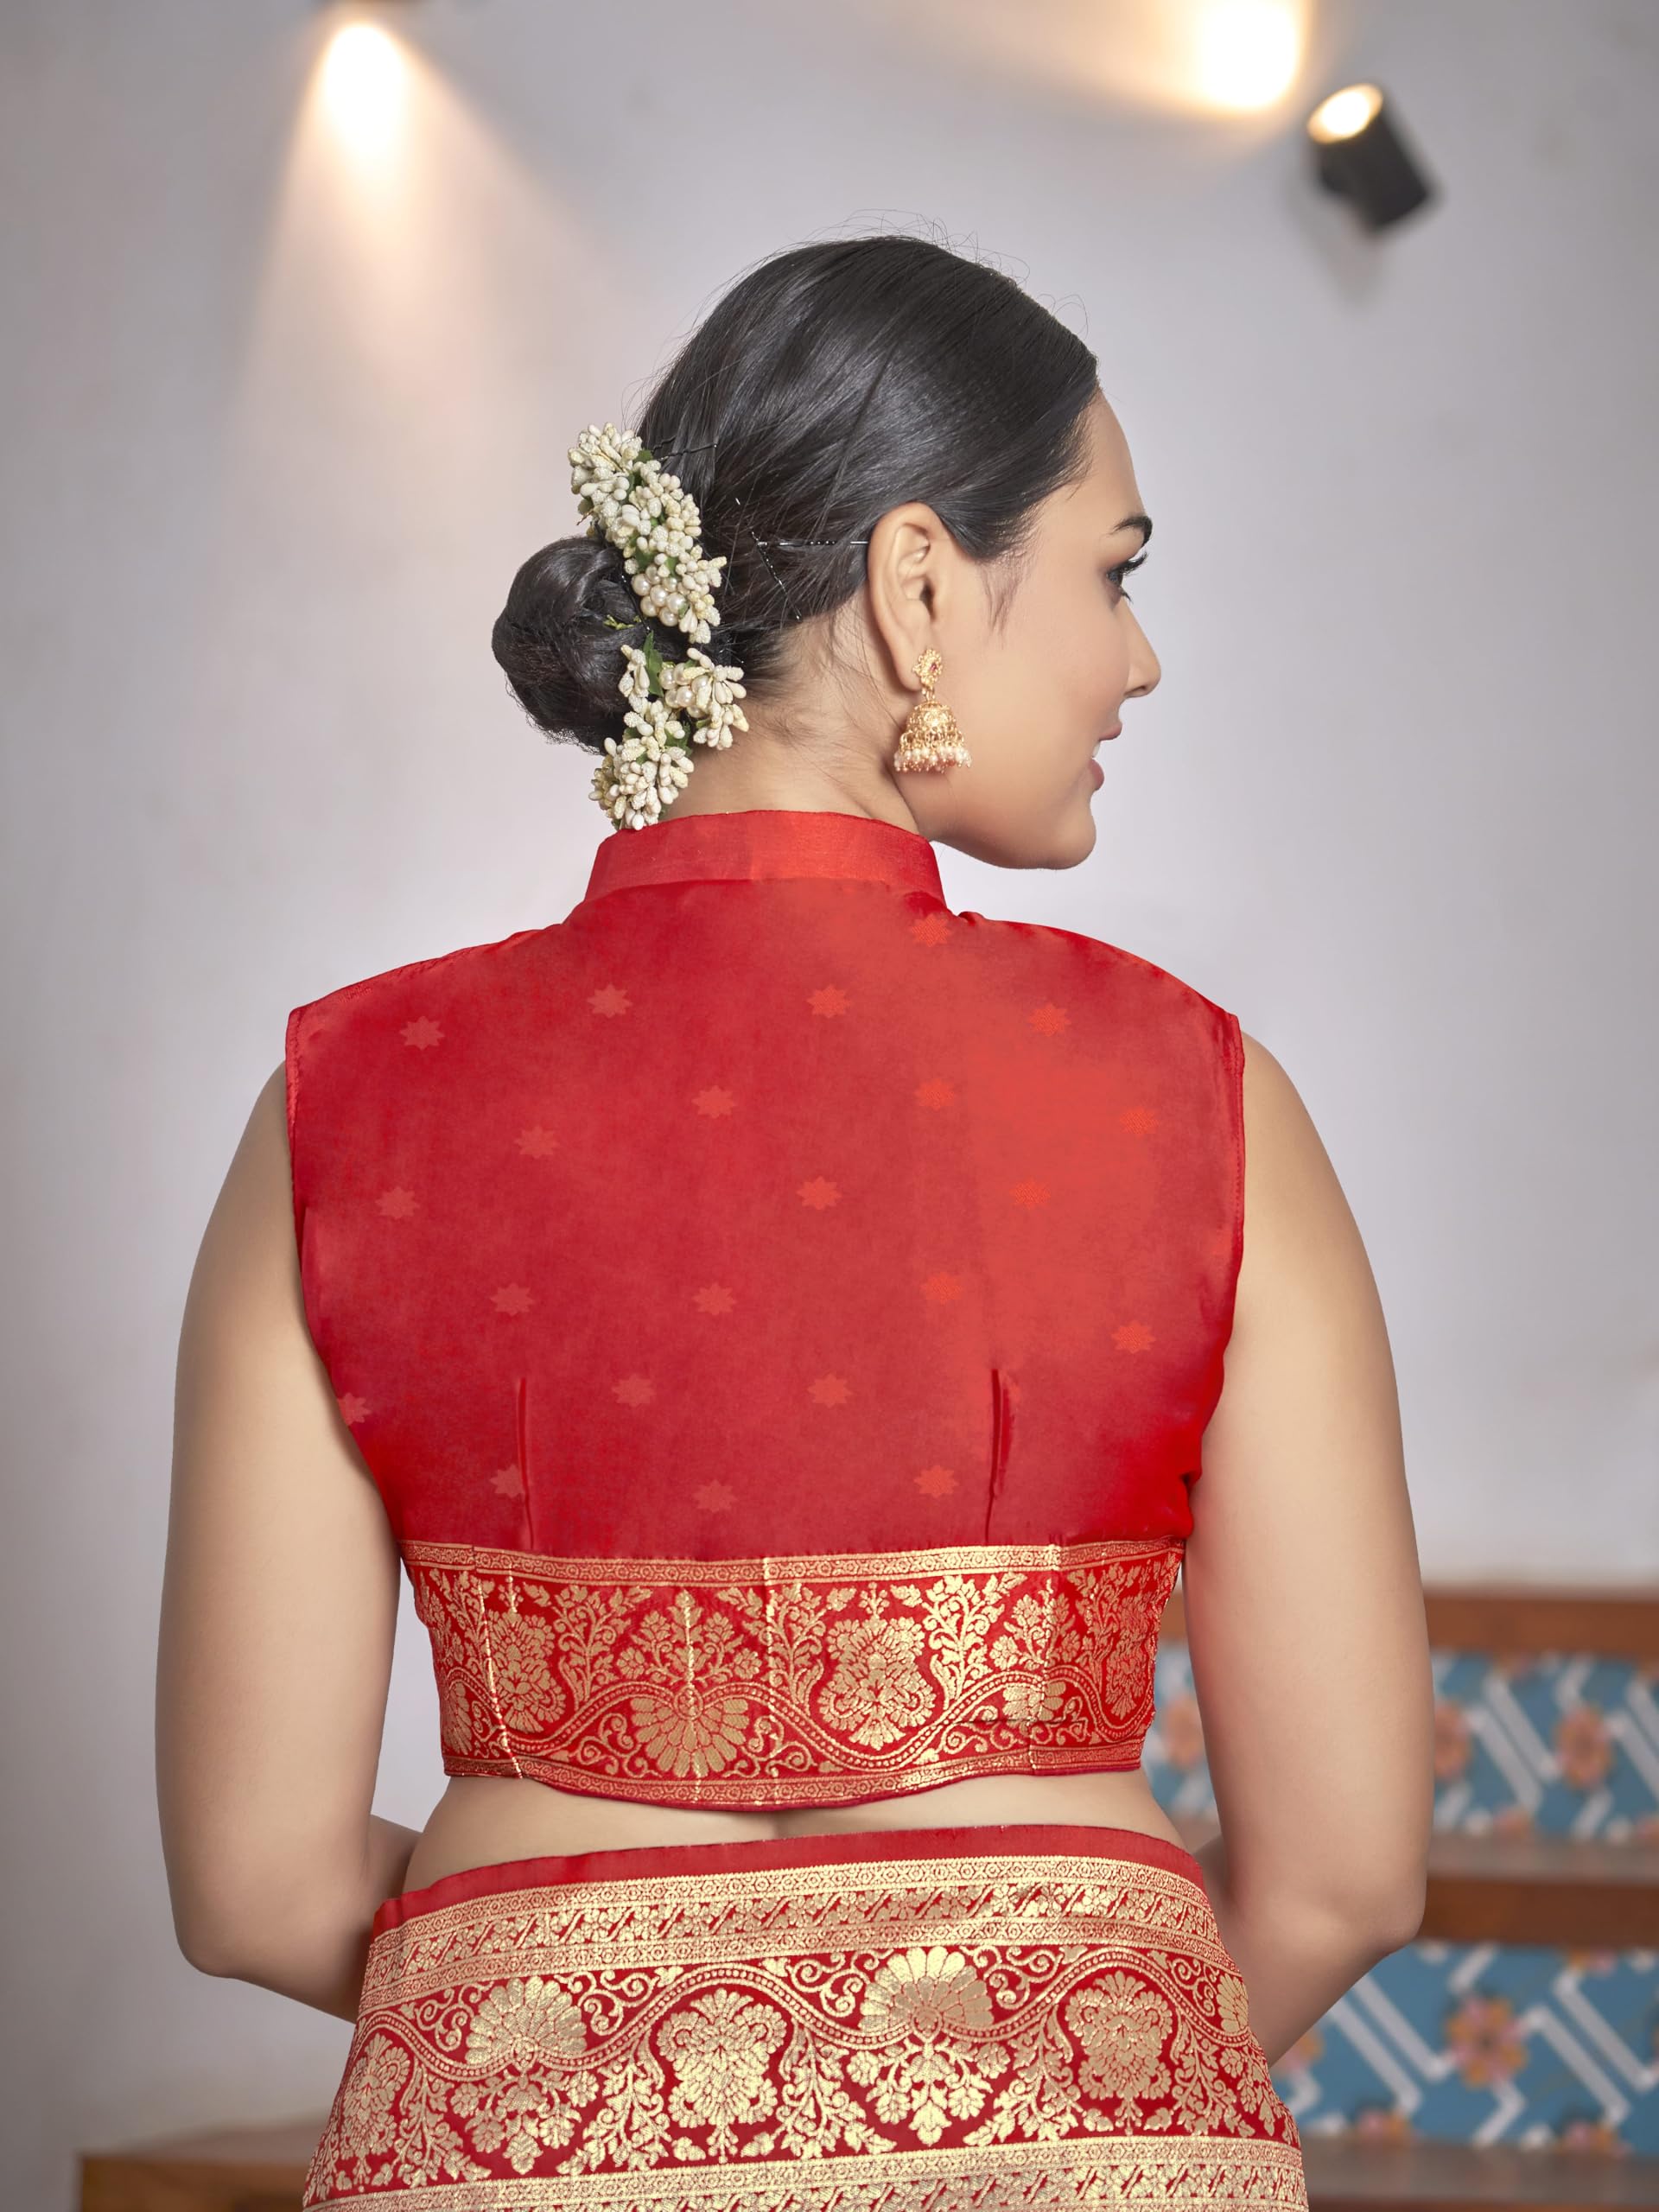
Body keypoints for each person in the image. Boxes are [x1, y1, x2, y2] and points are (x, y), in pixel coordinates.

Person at [157, 232, 1433, 2208]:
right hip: (1073, 2144)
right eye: (1114, 572)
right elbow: (1347, 1871)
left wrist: (580, 2028)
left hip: (521, 2146)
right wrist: (1030, 2077)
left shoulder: (346, 1101)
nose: (1140, 659)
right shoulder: (1203, 1097)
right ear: (921, 585)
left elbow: (255, 1881)